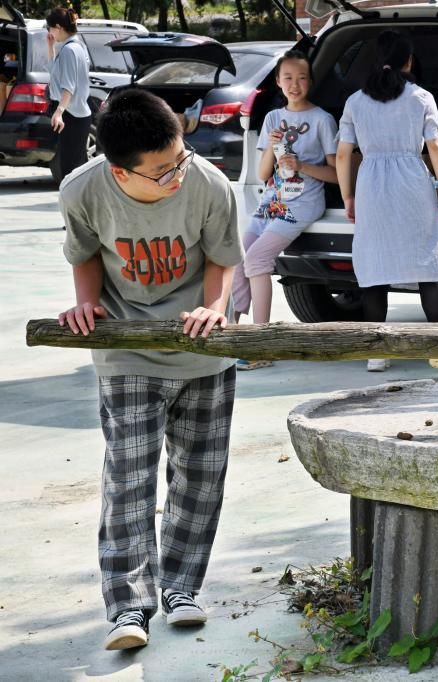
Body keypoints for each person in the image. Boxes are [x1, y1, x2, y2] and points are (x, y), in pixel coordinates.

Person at [57, 89, 243, 651]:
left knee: (200, 472)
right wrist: (87, 302)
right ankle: (127, 607)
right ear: (121, 171)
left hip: (202, 346)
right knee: (129, 477)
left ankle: (182, 588)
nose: (177, 175)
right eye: (162, 171)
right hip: (127, 345)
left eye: (180, 157)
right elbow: (85, 251)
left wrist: (215, 308)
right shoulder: (82, 190)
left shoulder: (209, 183)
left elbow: (221, 256)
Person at [336, 31, 438, 376]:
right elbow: (435, 146)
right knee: (428, 261)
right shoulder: (421, 98)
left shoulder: (355, 102)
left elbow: (345, 153)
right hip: (412, 182)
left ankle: (377, 352)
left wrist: (348, 195)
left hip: (371, 185)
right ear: (409, 61)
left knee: (375, 267)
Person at [232, 50, 338, 370]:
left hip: (303, 202)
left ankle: (263, 346)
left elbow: (336, 173)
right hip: (273, 201)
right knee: (239, 259)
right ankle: (228, 333)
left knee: (258, 259)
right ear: (278, 82)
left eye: (302, 77)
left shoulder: (322, 120)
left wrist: (302, 165)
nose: (295, 84)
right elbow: (264, 174)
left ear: (311, 82)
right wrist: (276, 149)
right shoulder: (272, 119)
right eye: (288, 78)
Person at [46, 7, 91, 182]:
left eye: (49, 28)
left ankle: (76, 207)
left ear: (58, 27)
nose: (49, 32)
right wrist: (50, 47)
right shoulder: (77, 46)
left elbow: (68, 87)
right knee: (76, 168)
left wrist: (59, 112)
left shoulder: (70, 50)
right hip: (77, 115)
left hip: (72, 116)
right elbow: (55, 72)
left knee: (70, 170)